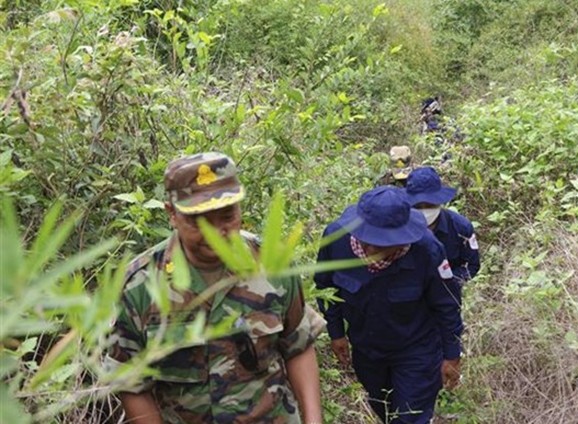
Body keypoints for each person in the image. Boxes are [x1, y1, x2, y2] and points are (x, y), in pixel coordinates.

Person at [106, 152, 325, 424]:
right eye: (199, 220)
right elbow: (130, 381)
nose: (217, 231)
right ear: (172, 214)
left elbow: (299, 345)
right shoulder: (140, 286)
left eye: (227, 216)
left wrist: (314, 420)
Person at [314, 186, 463, 424]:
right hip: (366, 349)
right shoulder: (336, 240)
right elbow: (324, 287)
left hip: (416, 349)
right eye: (368, 241)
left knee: (409, 419)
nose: (372, 250)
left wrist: (452, 354)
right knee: (383, 407)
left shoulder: (427, 249)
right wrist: (336, 333)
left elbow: (447, 304)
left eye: (383, 244)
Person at [404, 167, 480, 288]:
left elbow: (471, 265)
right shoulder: (398, 228)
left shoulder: (461, 228)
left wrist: (446, 285)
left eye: (429, 204)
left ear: (440, 201)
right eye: (418, 205)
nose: (424, 210)